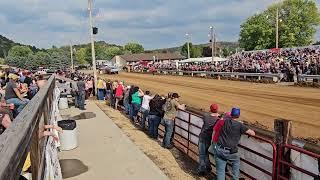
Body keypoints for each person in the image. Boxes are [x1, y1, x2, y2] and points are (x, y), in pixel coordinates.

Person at [214, 108, 255, 180]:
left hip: (219, 149)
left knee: (220, 171)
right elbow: (252, 133)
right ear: (238, 115)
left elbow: (219, 123)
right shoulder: (240, 125)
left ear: (231, 114)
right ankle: (235, 178)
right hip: (231, 152)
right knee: (236, 164)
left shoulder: (224, 122)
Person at [197, 104, 220, 176]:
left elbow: (205, 115)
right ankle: (208, 167)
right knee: (206, 153)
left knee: (202, 154)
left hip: (202, 137)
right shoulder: (218, 120)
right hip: (210, 138)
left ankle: (202, 170)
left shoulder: (206, 116)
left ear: (210, 109)